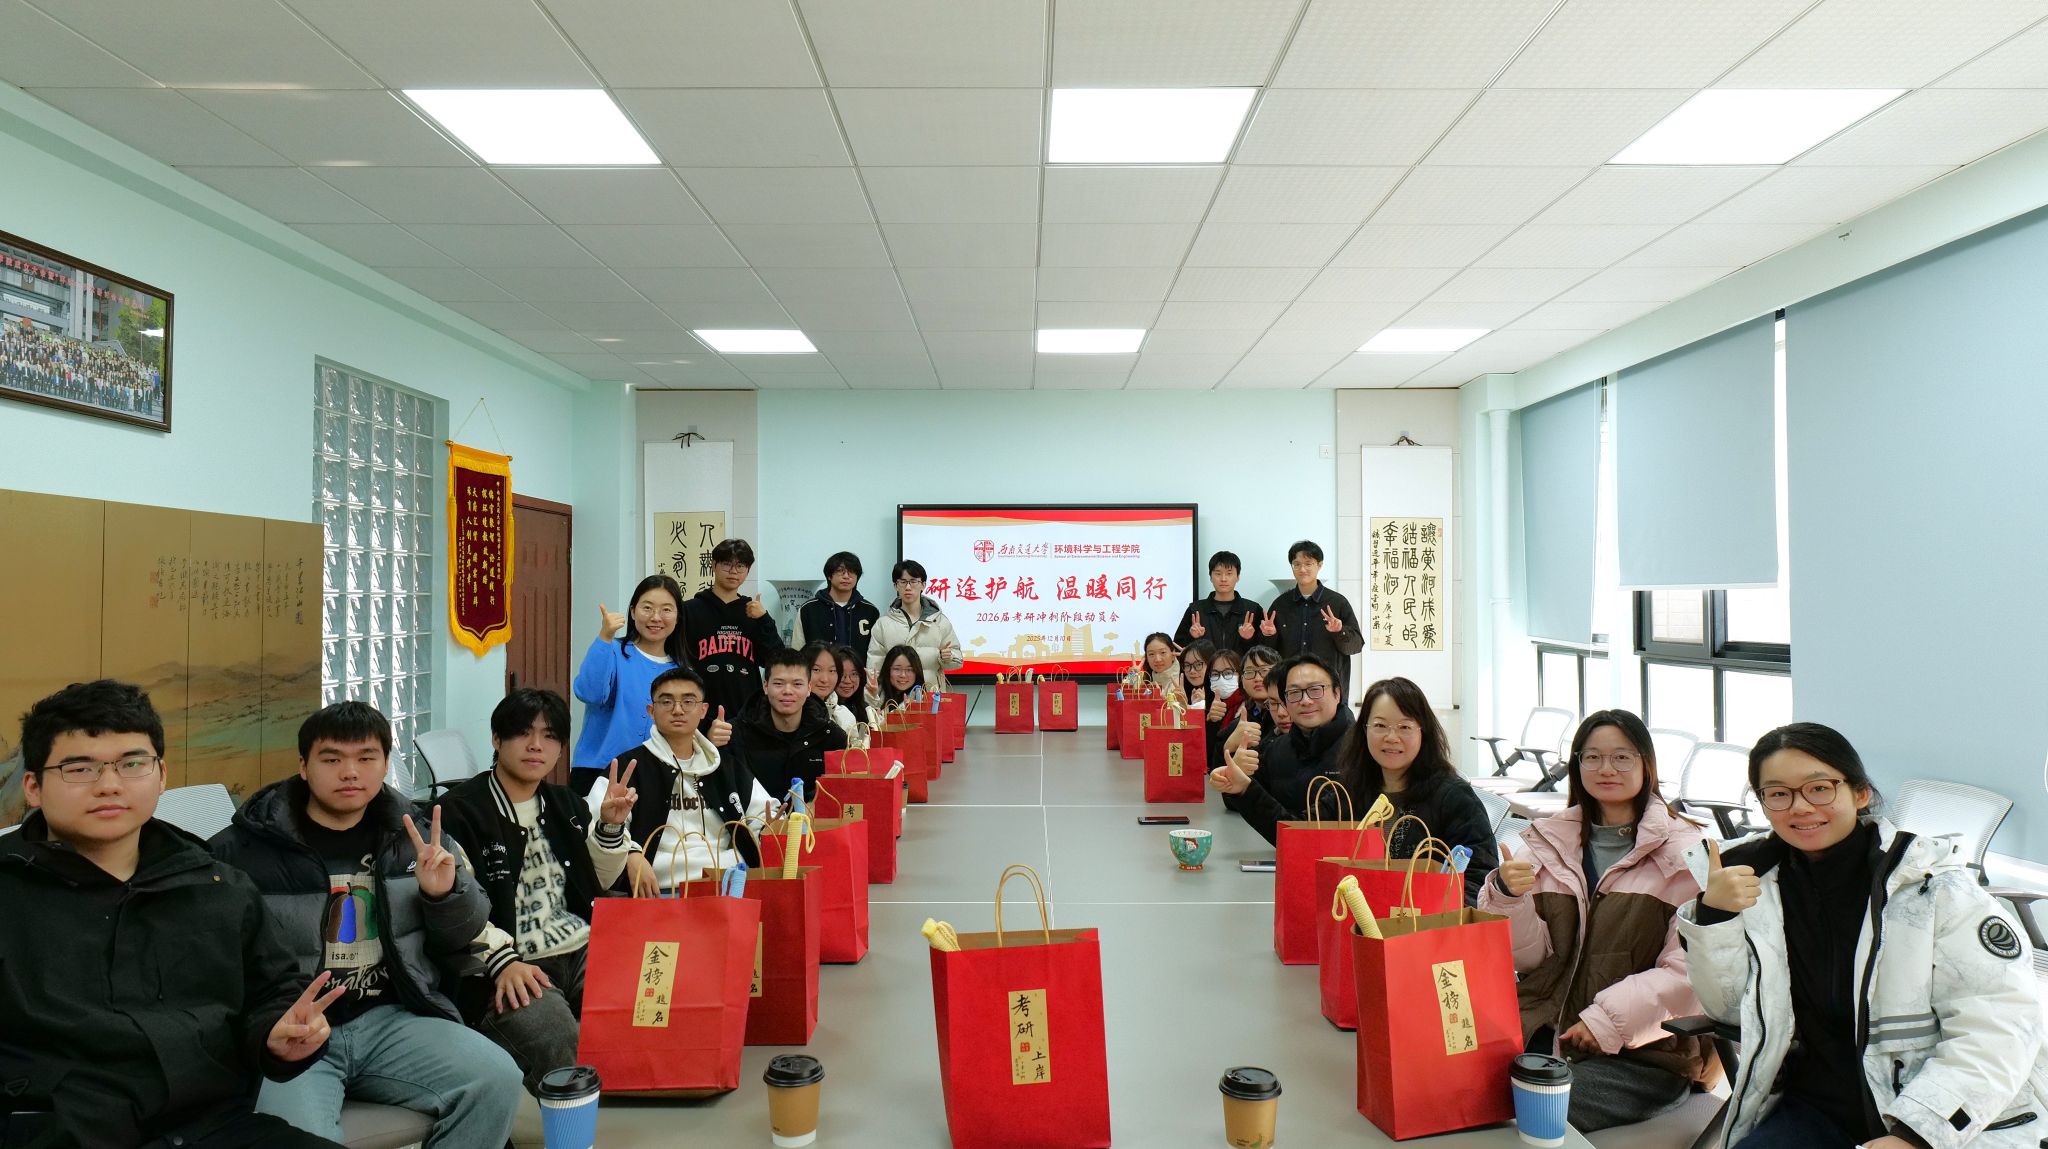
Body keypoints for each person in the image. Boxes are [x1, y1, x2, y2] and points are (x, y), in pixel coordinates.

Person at [0, 681, 350, 1149]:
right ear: (33, 787)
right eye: (79, 768)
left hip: (208, 1128)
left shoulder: (217, 885)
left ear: (161, 775)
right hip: (57, 1133)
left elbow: (273, 991)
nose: (109, 784)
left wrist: (277, 1032)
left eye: (132, 764)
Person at [1678, 723, 2048, 1149]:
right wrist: (1715, 916)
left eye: (1819, 788)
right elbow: (1729, 1012)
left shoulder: (1936, 890)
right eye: (1778, 794)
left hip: (1935, 1115)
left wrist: (1916, 1133)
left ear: (1860, 793)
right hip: (1816, 1108)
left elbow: (2000, 1028)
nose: (1800, 807)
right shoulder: (1753, 883)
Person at [208, 702, 523, 1149]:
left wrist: (444, 894)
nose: (350, 772)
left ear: (386, 764)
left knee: (497, 1078)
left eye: (366, 758)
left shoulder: (416, 838)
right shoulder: (239, 851)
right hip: (296, 1030)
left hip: (391, 1020)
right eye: (332, 759)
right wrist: (262, 1027)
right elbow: (212, 961)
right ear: (303, 766)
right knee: (299, 1140)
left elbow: (463, 936)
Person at [1477, 710, 1710, 1132]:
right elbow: (1531, 960)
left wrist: (1606, 1021)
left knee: (1527, 1108)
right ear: (1577, 765)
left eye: (1621, 757)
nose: (1606, 768)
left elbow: (1692, 973)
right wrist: (1508, 898)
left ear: (1646, 764)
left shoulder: (1687, 855)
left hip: (1642, 1055)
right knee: (1460, 1088)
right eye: (1592, 757)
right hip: (1543, 1033)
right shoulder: (1549, 843)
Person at [432, 689, 635, 1095]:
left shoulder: (566, 804)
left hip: (582, 948)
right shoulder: (458, 812)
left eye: (550, 736)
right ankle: (575, 1123)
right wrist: (502, 962)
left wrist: (610, 827)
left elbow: (597, 880)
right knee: (557, 1040)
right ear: (496, 739)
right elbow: (457, 905)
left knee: (647, 999)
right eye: (523, 733)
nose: (536, 745)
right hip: (511, 962)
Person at [1317, 675, 1499, 903]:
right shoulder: (1347, 794)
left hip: (1425, 922)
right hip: (1351, 919)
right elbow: (1308, 843)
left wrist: (1430, 913)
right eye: (1380, 725)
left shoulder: (1454, 797)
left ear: (1423, 732)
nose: (1391, 737)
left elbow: (1480, 882)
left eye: (1404, 727)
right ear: (1364, 731)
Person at [595, 667, 773, 896]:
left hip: (729, 887)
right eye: (666, 702)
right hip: (659, 892)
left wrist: (766, 833)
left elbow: (767, 816)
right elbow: (597, 832)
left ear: (703, 710)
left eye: (688, 701)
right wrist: (631, 853)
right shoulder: (627, 768)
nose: (677, 710)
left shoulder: (727, 768)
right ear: (651, 711)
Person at [1207, 654, 1354, 844]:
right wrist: (1236, 782)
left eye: (1315, 690)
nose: (1305, 700)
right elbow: (1241, 799)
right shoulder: (1278, 749)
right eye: (1294, 693)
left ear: (1337, 693)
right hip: (1287, 856)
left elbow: (1304, 834)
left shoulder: (1359, 750)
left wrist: (1245, 788)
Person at [569, 574, 688, 791]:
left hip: (656, 774)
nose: (656, 617)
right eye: (647, 608)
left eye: (666, 610)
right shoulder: (612, 650)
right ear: (633, 612)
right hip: (599, 770)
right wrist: (604, 637)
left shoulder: (682, 671)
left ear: (678, 616)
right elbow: (589, 693)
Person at [680, 538, 785, 720]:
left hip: (747, 711)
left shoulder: (754, 612)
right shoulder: (690, 610)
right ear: (713, 565)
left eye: (741, 566)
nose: (734, 571)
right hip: (700, 710)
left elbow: (776, 661)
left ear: (748, 570)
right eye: (727, 564)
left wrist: (764, 619)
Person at [739, 648, 849, 804]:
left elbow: (839, 793)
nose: (788, 691)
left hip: (812, 818)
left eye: (797, 684)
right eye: (779, 683)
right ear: (765, 686)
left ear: (809, 688)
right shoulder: (739, 732)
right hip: (756, 818)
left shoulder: (831, 737)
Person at [1258, 540, 1364, 700]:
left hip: (1327, 690)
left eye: (1308, 564)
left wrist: (1339, 631)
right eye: (1297, 564)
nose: (1302, 569)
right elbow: (1268, 655)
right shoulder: (1281, 604)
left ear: (1319, 565)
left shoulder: (1337, 602)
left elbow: (1356, 646)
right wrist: (1269, 635)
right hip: (1290, 690)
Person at [866, 560, 962, 691]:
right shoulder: (883, 625)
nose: (908, 587)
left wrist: (948, 657)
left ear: (923, 585)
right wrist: (876, 697)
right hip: (895, 696)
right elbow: (874, 668)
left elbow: (957, 661)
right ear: (895, 586)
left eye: (913, 581)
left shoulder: (939, 622)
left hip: (930, 695)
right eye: (903, 582)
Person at [791, 551, 880, 666]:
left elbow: (875, 654)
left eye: (851, 572)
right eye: (840, 571)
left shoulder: (870, 611)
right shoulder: (808, 609)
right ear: (829, 576)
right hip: (819, 674)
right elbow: (797, 650)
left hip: (856, 675)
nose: (846, 576)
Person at [1174, 550, 1265, 657]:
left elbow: (1265, 651)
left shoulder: (1252, 610)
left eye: (1229, 573)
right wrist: (1193, 638)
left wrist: (1248, 639)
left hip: (1241, 667)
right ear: (1210, 577)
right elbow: (1178, 649)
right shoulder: (1195, 610)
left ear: (1238, 577)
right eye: (1218, 573)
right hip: (1206, 668)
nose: (1223, 579)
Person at [1202, 648, 1246, 775]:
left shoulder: (1247, 706)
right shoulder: (1209, 709)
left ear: (1240, 674)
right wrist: (1211, 722)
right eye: (1215, 674)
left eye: (1228, 673)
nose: (1221, 678)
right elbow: (1207, 757)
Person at [802, 640, 859, 737]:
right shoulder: (791, 712)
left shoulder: (846, 717)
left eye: (832, 671)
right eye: (816, 670)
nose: (824, 679)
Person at [833, 644, 871, 729]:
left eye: (854, 674)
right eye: (841, 674)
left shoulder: (863, 708)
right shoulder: (826, 712)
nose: (847, 681)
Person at [1139, 631, 1182, 696]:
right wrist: (1133, 678)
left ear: (1173, 653)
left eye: (1163, 652)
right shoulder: (1148, 683)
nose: (1158, 659)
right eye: (1151, 654)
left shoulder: (1186, 679)